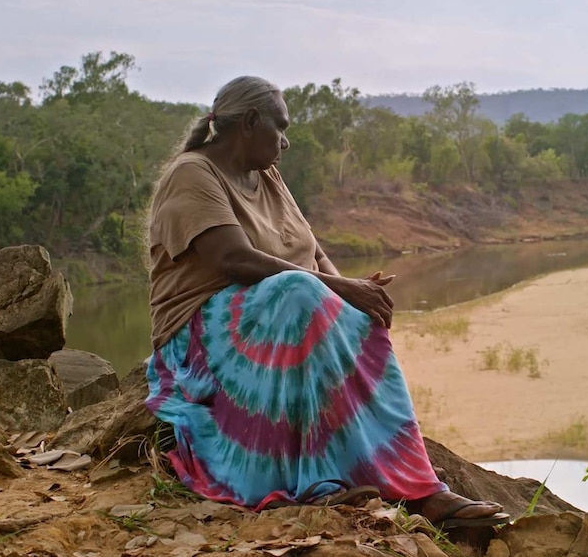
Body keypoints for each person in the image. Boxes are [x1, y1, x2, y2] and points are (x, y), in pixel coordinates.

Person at [143, 76, 508, 529]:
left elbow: (313, 252)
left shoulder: (267, 176)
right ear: (252, 122)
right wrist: (336, 289)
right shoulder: (193, 173)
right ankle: (315, 480)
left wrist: (353, 295)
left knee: (358, 313)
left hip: (277, 309)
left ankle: (418, 486)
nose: (286, 142)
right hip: (202, 332)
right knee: (301, 292)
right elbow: (231, 258)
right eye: (281, 127)